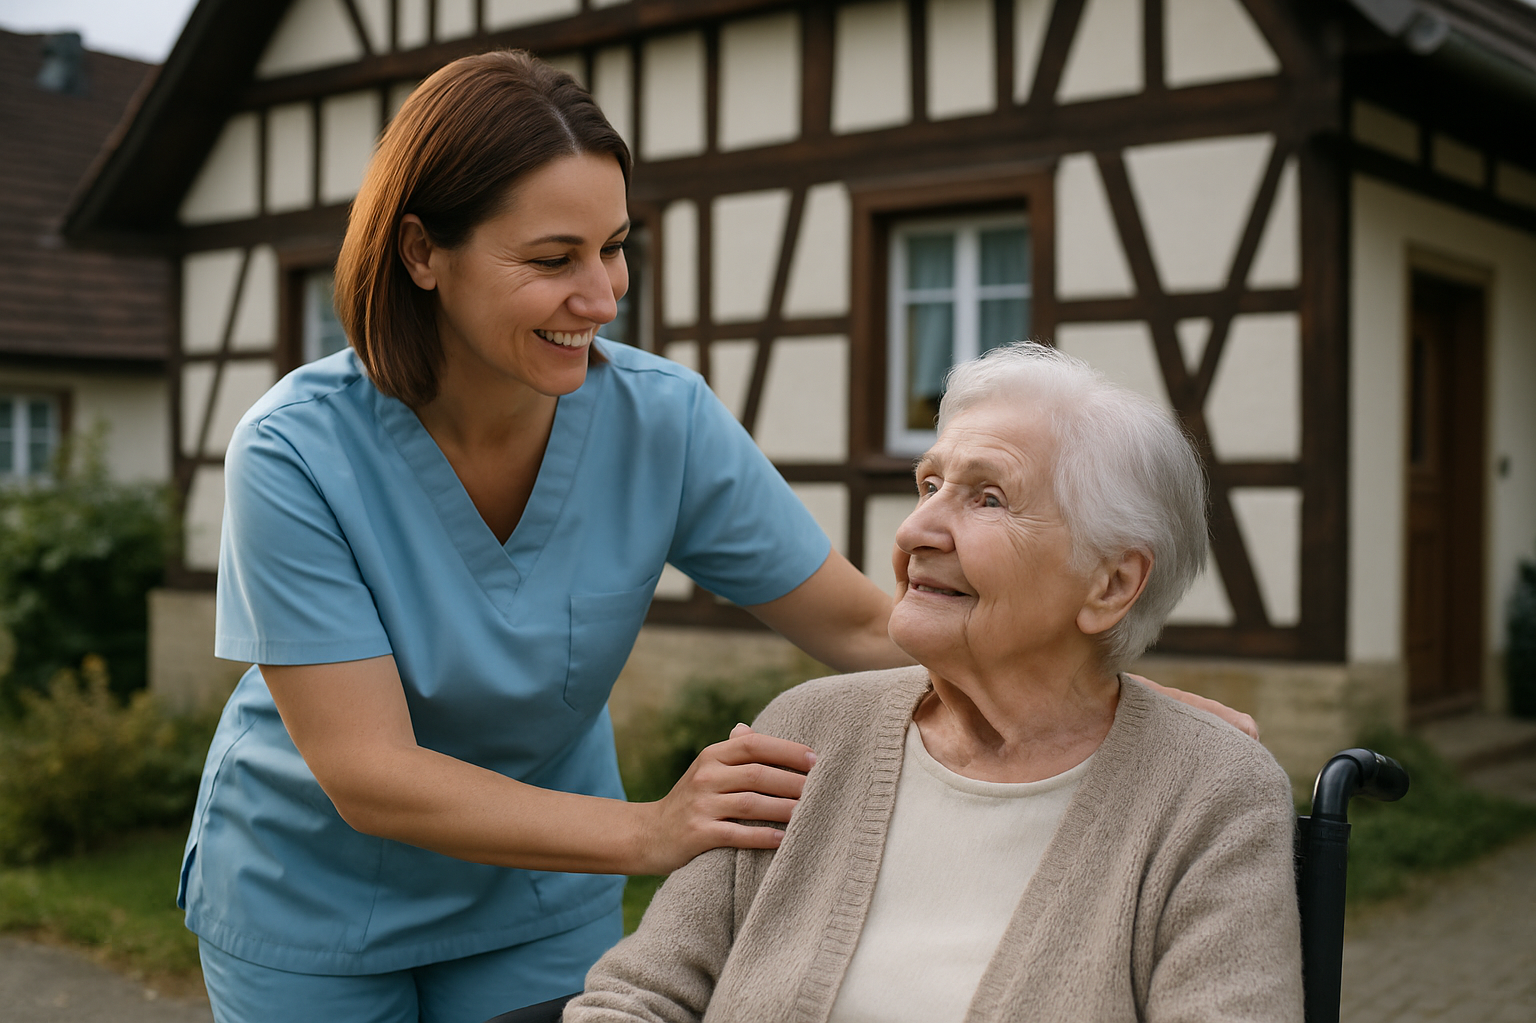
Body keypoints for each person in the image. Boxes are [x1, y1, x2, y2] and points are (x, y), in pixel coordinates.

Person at [180, 51, 1256, 1023]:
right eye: (554, 258)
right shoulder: (295, 451)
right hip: (314, 892)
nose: (600, 296)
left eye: (614, 248)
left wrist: (1105, 698)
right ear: (423, 252)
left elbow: (857, 623)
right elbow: (369, 772)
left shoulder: (661, 419)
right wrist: (652, 831)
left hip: (540, 893)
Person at [567, 343, 1303, 1023]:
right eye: (929, 485)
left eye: (988, 499)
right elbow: (636, 998)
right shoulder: (805, 734)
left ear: (1110, 584)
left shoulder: (1211, 793)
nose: (915, 529)